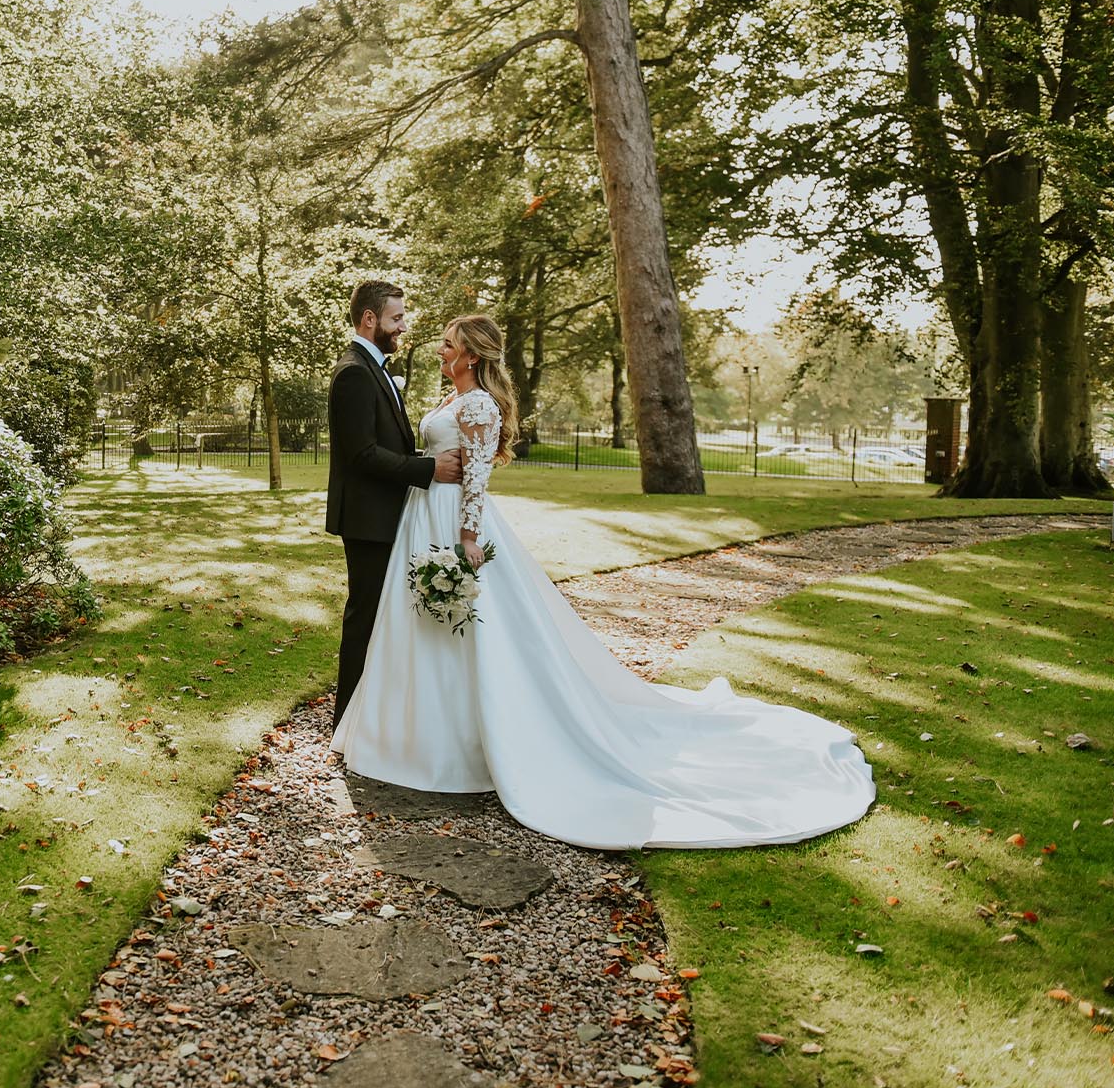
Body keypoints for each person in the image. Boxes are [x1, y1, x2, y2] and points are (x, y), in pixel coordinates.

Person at [330, 314, 875, 850]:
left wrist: (468, 538)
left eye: (448, 344)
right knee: (422, 627)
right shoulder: (451, 399)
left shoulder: (477, 405)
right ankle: (413, 735)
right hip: (421, 518)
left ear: (471, 355)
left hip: (452, 521)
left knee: (469, 633)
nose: (439, 351)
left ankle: (464, 743)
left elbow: (476, 479)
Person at [325, 280, 462, 729]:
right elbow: (361, 454)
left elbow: (386, 444)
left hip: (385, 514)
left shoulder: (375, 368)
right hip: (367, 518)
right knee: (364, 616)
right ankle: (347, 720)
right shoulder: (353, 373)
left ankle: (374, 713)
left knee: (382, 616)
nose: (403, 325)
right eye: (396, 318)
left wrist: (421, 460)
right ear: (370, 319)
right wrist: (428, 470)